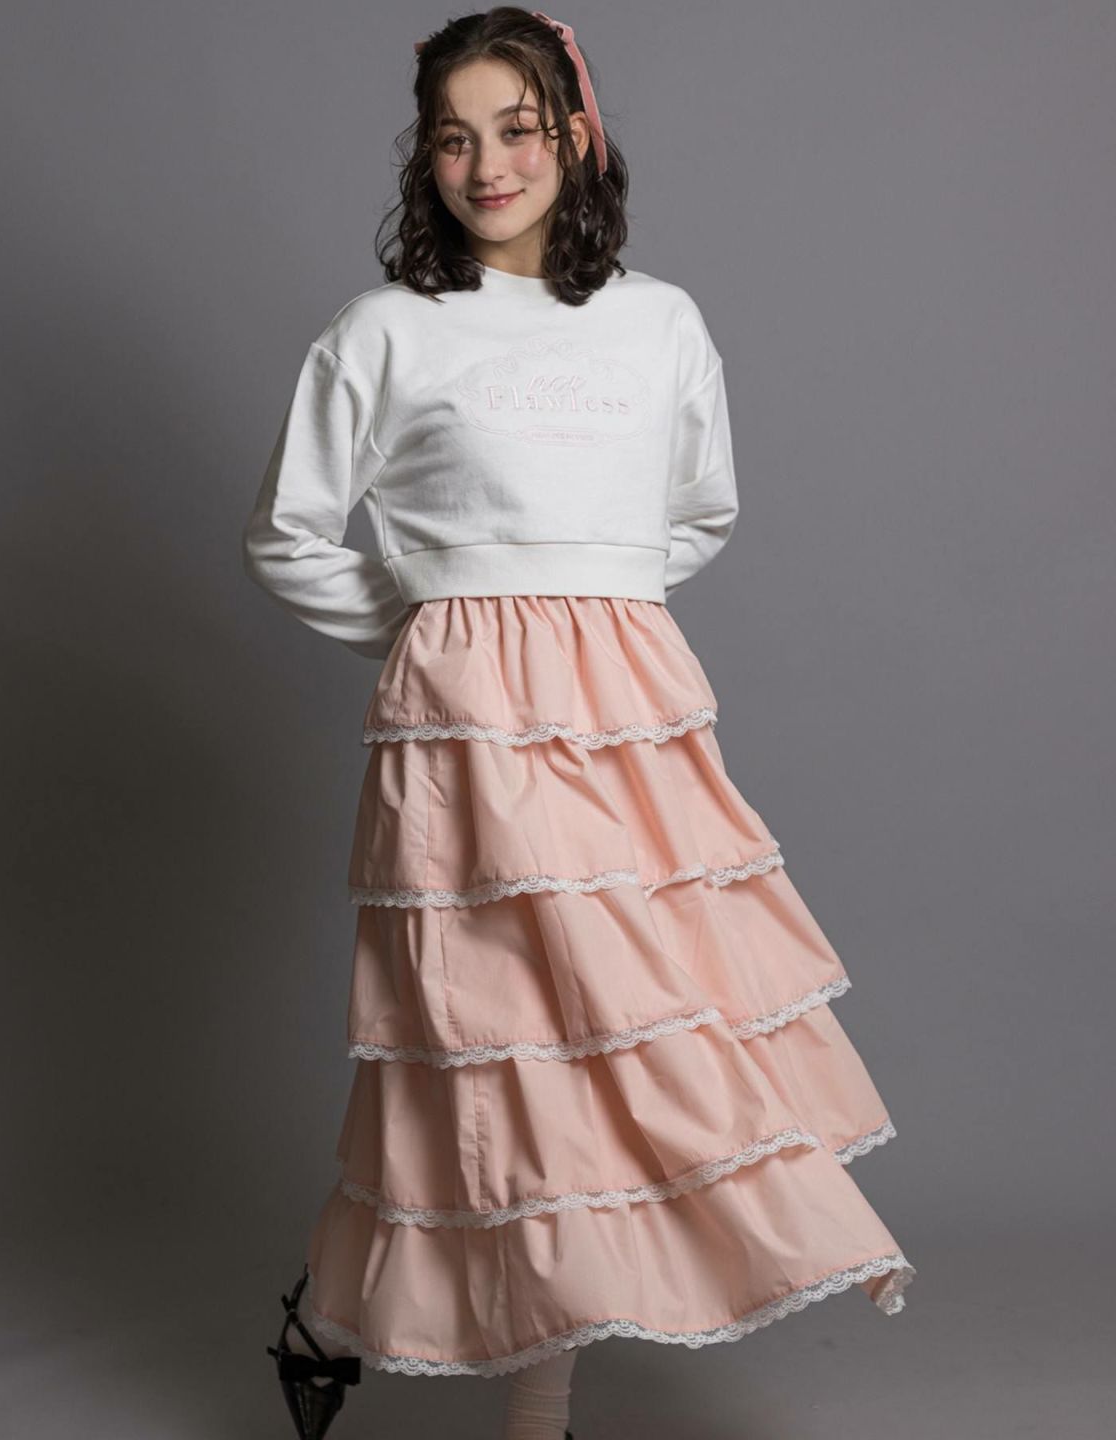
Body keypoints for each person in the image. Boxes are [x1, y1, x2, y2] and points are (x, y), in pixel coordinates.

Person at [245, 8, 916, 1438]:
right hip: (466, 740)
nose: (488, 164)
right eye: (454, 137)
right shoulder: (386, 331)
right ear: (424, 158)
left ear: (576, 134)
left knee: (636, 1035)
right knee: (505, 1052)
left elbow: (696, 511)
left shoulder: (660, 320)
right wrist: (441, 632)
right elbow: (289, 533)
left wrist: (588, 612)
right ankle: (504, 1402)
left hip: (628, 731)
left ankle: (416, 1348)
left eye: (518, 128)